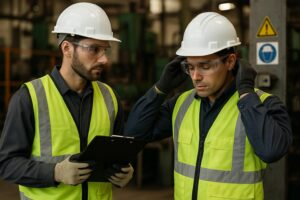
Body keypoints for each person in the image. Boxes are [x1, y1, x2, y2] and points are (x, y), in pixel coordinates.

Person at [125, 12, 292, 199]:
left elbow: (272, 151)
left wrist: (245, 92)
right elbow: (133, 134)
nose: (196, 76)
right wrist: (161, 87)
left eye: (205, 66)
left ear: (230, 61)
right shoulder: (182, 104)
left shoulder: (264, 104)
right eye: (190, 67)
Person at [0, 2, 134, 200]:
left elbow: (115, 153)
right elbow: (7, 164)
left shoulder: (109, 97)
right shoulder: (29, 97)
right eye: (94, 49)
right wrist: (54, 173)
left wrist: (123, 170)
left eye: (105, 50)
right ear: (67, 48)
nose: (104, 59)